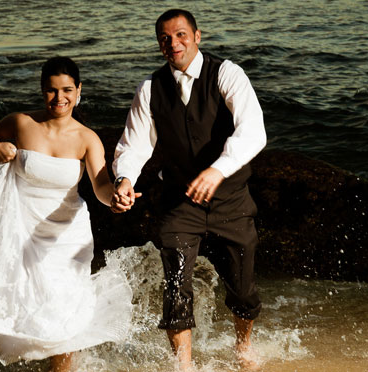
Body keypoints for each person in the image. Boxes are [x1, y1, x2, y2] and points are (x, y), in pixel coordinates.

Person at [0, 56, 133, 372]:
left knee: (65, 308)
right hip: (20, 225)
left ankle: (62, 369)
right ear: (42, 91)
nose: (59, 99)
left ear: (79, 90)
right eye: (51, 91)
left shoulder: (87, 138)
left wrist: (116, 199)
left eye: (67, 90)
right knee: (24, 304)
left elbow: (100, 184)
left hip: (65, 233)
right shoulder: (22, 123)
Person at [110, 9, 266, 371]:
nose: (173, 43)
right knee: (176, 286)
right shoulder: (150, 88)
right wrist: (124, 180)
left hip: (231, 200)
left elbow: (253, 130)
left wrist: (218, 170)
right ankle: (183, 366)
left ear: (198, 36)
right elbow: (134, 146)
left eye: (180, 35)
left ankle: (243, 346)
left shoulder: (227, 74)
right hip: (180, 204)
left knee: (242, 291)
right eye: (164, 38)